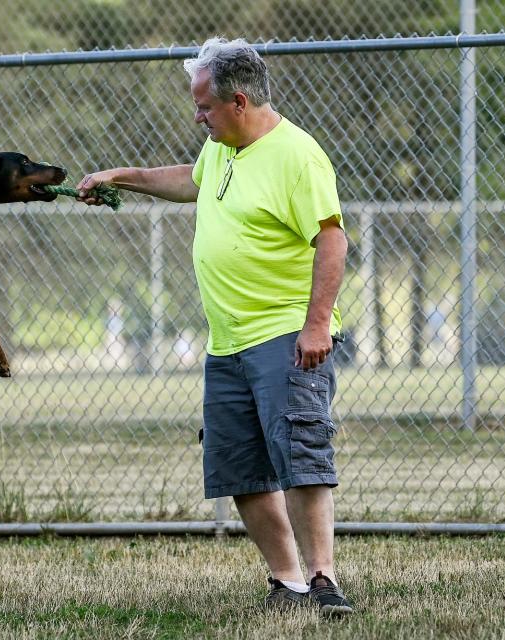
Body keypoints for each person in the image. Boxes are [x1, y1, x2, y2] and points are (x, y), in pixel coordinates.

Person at [77, 37, 353, 617]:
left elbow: (331, 238)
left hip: (284, 332)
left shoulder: (297, 156)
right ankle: (289, 583)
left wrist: (316, 324)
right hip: (226, 341)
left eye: (204, 106)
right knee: (239, 465)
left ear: (240, 100)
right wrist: (121, 177)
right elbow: (190, 182)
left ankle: (324, 579)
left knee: (300, 453)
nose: (197, 116)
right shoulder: (223, 149)